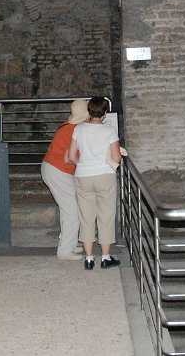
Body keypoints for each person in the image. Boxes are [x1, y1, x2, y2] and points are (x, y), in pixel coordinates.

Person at [68, 96, 122, 270]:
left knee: (86, 217)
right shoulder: (109, 131)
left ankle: (89, 259)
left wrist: (84, 165)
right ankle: (105, 257)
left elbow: (71, 156)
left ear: (89, 111)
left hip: (83, 176)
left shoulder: (79, 129)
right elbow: (116, 158)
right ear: (105, 112)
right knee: (106, 216)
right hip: (104, 175)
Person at [41, 99, 90, 260]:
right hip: (58, 171)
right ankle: (65, 251)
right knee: (72, 211)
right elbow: (68, 158)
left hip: (54, 168)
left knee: (69, 208)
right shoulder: (74, 130)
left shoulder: (68, 126)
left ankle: (70, 243)